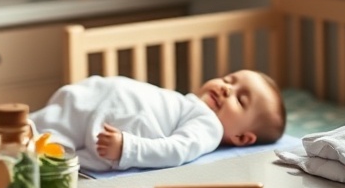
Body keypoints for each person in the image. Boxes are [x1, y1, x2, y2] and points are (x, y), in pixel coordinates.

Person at [29, 69, 285, 172]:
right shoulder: (188, 103)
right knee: (56, 119)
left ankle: (25, 142)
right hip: (101, 96)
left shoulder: (211, 126)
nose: (227, 89)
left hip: (107, 122)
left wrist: (128, 147)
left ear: (242, 137)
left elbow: (176, 150)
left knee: (52, 147)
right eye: (229, 80)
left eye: (240, 100)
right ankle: (26, 134)